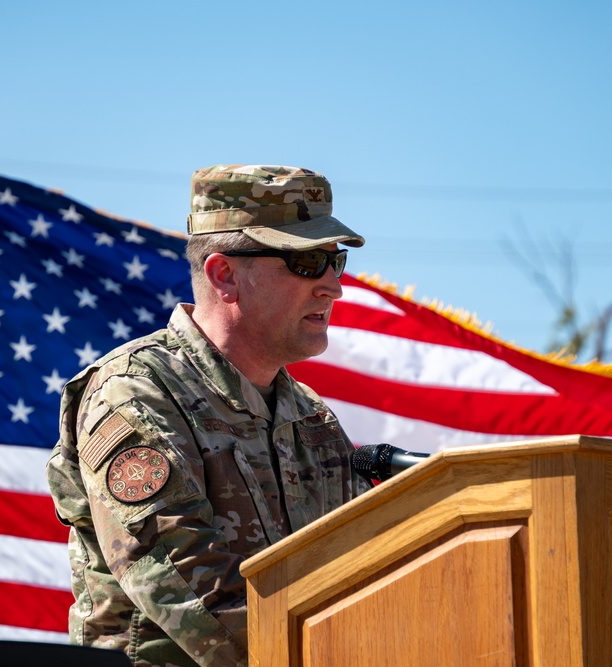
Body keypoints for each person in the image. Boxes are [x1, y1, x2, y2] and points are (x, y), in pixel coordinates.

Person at [46, 164, 373, 667]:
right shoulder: (134, 393)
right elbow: (193, 593)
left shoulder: (312, 420)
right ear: (225, 275)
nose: (334, 287)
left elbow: (362, 575)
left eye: (337, 262)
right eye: (308, 262)